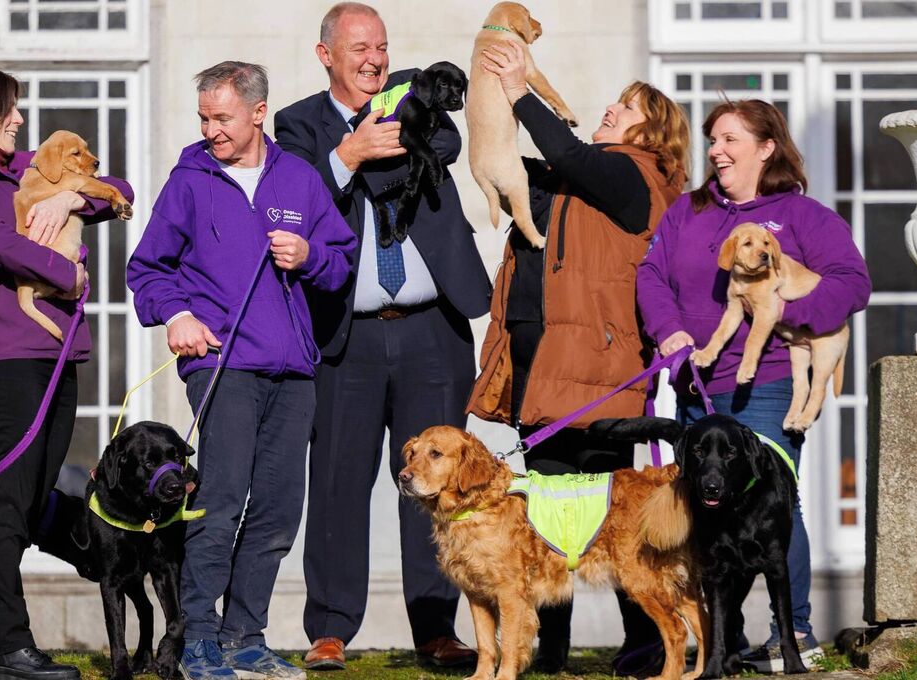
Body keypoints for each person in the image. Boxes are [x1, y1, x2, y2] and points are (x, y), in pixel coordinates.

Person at [273, 2, 491, 671]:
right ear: (327, 55)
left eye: (382, 47)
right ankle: (331, 629)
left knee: (440, 484)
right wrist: (348, 154)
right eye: (360, 47)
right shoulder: (297, 125)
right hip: (347, 336)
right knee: (339, 481)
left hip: (433, 329)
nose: (374, 59)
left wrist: (402, 129)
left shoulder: (409, 100)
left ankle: (436, 628)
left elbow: (449, 144)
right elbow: (294, 195)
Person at [126, 61, 355, 680]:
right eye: (203, 116)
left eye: (221, 117)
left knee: (278, 511)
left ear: (258, 113)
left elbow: (341, 264)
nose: (211, 129)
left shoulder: (300, 180)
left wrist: (309, 256)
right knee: (219, 501)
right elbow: (147, 268)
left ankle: (243, 637)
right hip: (222, 364)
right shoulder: (190, 181)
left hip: (293, 372)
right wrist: (175, 316)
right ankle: (197, 639)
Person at [468, 42, 690, 676]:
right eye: (617, 101)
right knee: (547, 519)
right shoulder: (581, 179)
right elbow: (518, 163)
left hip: (597, 375)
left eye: (630, 106)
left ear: (654, 132)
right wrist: (487, 101)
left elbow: (566, 153)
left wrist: (521, 90)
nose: (614, 109)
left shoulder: (635, 176)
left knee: (611, 523)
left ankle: (646, 643)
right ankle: (551, 651)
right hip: (547, 370)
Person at [637, 98, 870, 672]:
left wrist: (796, 319)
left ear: (766, 149)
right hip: (697, 387)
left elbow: (852, 282)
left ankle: (793, 633)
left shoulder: (803, 216)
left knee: (771, 512)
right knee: (707, 517)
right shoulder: (687, 212)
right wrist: (668, 332)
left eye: (730, 140)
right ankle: (725, 640)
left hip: (766, 391)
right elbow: (651, 274)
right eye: (713, 140)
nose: (715, 150)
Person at [0, 68, 132, 680]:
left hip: (57, 354)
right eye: (8, 111)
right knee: (9, 503)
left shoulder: (25, 172)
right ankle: (7, 649)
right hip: (4, 362)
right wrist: (66, 273)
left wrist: (72, 195)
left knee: (21, 504)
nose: (20, 119)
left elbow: (119, 186)